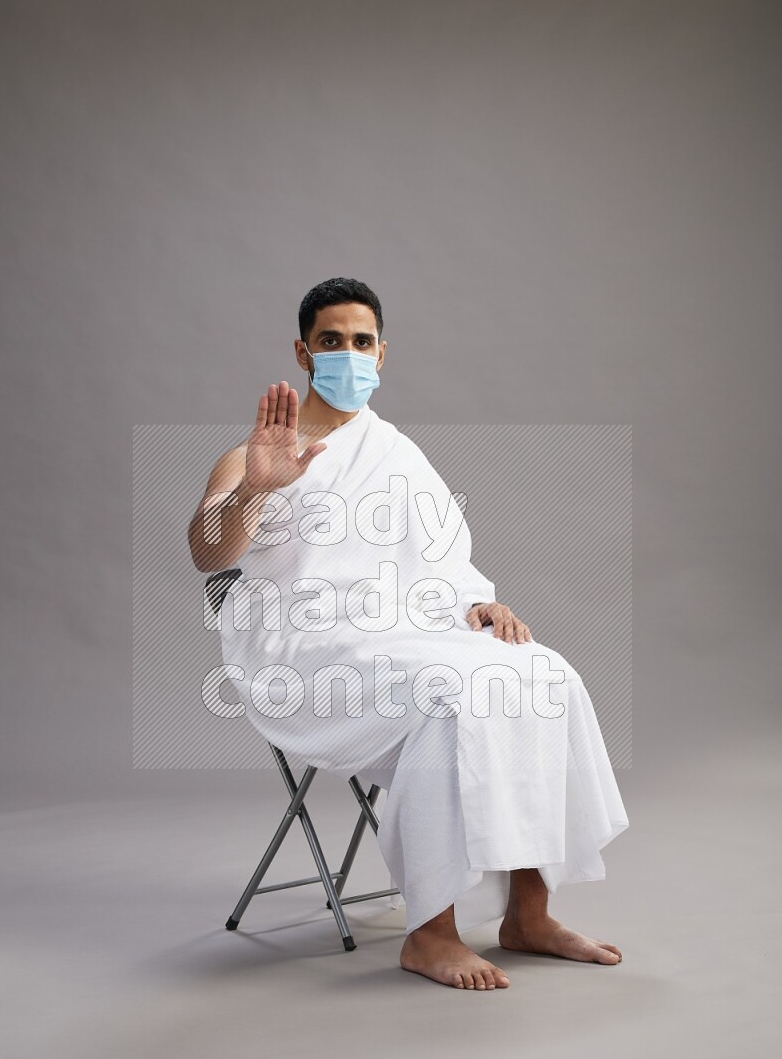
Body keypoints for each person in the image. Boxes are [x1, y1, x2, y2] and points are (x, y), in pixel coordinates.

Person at [188, 277, 629, 991]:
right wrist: (255, 489)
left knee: (545, 674)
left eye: (362, 342)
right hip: (304, 650)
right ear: (303, 351)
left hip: (403, 630)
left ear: (383, 354)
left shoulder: (395, 451)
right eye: (331, 341)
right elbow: (208, 553)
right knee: (447, 692)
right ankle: (429, 934)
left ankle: (529, 913)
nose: (348, 354)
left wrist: (480, 606)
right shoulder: (253, 456)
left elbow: (445, 563)